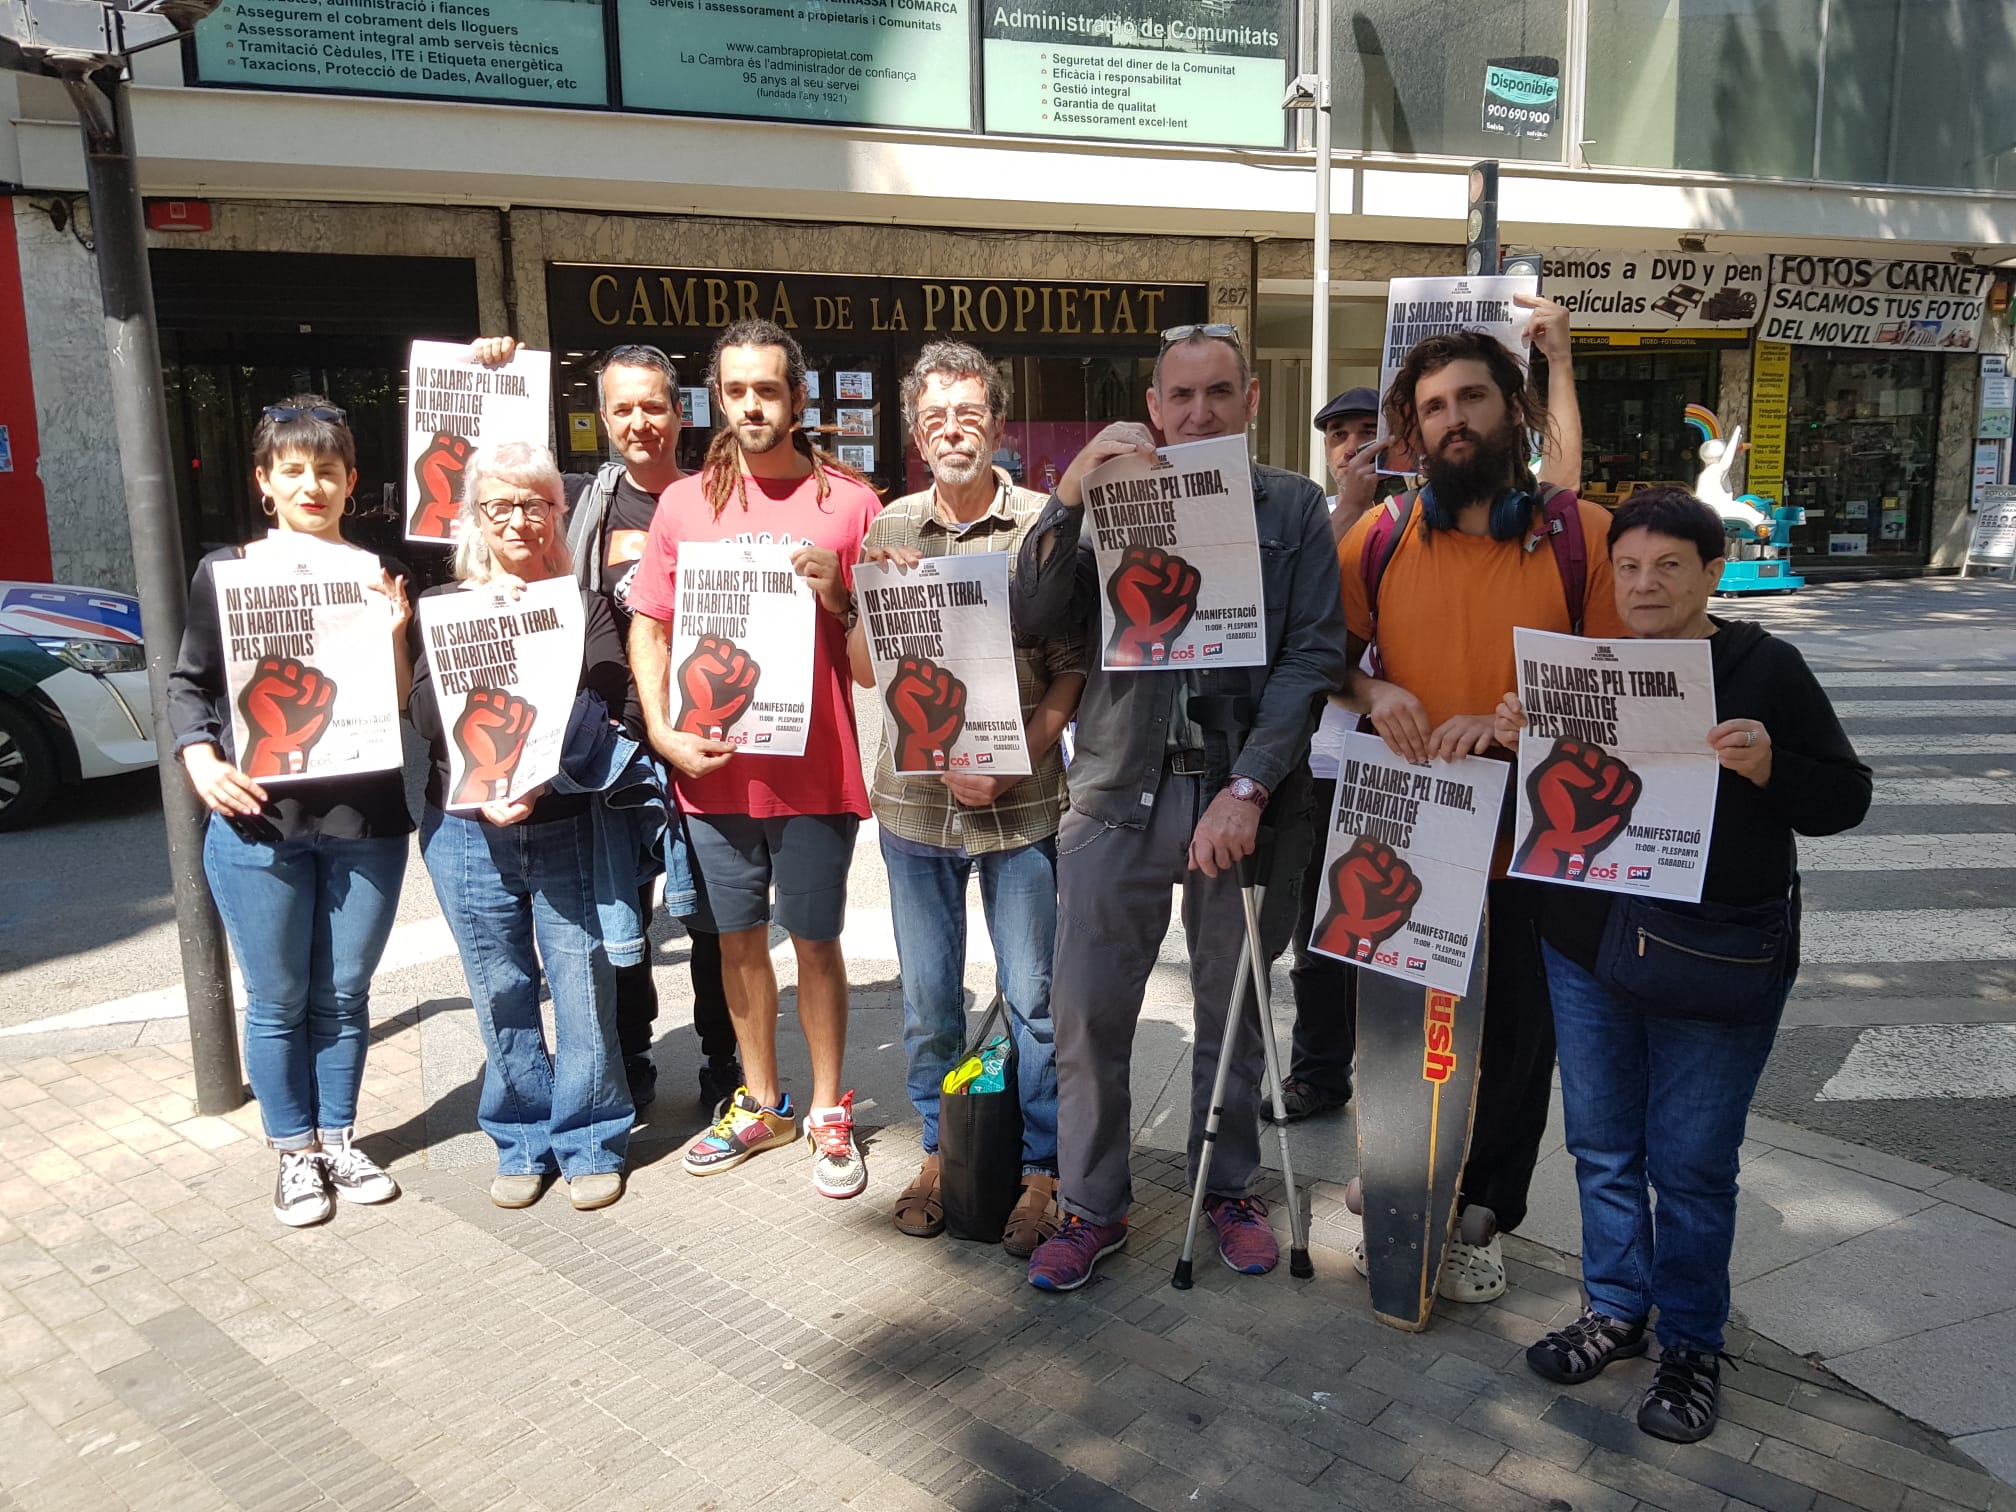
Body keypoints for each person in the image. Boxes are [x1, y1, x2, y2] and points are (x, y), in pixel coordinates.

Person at [1497, 488, 1869, 1443]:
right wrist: (1518, 738)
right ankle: (1616, 1308)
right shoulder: (1586, 667)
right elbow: (1551, 807)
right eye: (1628, 566)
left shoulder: (1766, 667)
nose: (1645, 584)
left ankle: (1692, 1343)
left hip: (1717, 954)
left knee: (1693, 1167)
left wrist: (1771, 765)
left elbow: (1845, 799)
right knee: (1600, 1146)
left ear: (1712, 572)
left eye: (1669, 566)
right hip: (1587, 947)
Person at [1012, 322, 1347, 1290]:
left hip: (1239, 800)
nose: (1200, 412)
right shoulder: (1105, 498)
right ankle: (1092, 1206)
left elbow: (1314, 654)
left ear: (1250, 401)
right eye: (1182, 396)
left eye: (1218, 393)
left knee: (1232, 1010)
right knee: (1085, 1013)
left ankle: (1229, 1188)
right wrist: (1069, 495)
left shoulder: (1293, 505)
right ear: (1155, 408)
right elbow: (1031, 615)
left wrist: (1250, 784)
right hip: (1117, 788)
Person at [1336, 295, 1620, 1304]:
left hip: (1540, 843)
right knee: (1402, 1034)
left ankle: (1485, 1214)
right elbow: (1325, 659)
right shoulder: (1377, 538)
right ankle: (1402, 1186)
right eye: (1434, 406)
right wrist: (1376, 692)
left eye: (1472, 398)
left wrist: (1522, 720)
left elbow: (1626, 682)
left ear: (1512, 409)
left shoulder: (1580, 535)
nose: (1453, 419)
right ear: (1414, 431)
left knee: (1515, 1043)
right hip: (1408, 836)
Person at [627, 319, 882, 1201]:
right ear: (717, 399)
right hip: (715, 768)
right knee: (736, 943)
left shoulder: (850, 505)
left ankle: (827, 1108)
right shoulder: (683, 505)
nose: (751, 405)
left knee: (816, 942)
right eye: (735, 390)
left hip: (814, 772)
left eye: (767, 389)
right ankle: (763, 1102)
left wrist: (841, 598)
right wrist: (662, 731)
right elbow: (651, 626)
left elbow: (874, 664)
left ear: (798, 398)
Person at [846, 341, 1084, 1256]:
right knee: (928, 1004)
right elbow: (864, 668)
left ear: (997, 422)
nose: (953, 430)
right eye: (935, 417)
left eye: (969, 413)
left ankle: (1041, 1168)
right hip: (916, 808)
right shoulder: (892, 525)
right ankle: (940, 1153)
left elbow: (1072, 668)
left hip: (1020, 809)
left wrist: (1020, 758)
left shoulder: (1041, 528)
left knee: (1034, 1000)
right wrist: (873, 592)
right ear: (916, 434)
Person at [468, 336, 737, 1114]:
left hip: (704, 736)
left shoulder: (715, 503)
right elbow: (489, 484)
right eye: (622, 408)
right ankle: (631, 1054)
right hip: (608, 750)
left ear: (680, 412)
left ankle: (724, 1057)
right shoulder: (585, 499)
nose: (639, 422)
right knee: (620, 913)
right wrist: (488, 374)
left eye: (653, 405)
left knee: (713, 915)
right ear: (603, 417)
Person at [167, 397, 411, 1228]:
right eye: (294, 470)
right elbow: (190, 683)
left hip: (365, 821)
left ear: (351, 482)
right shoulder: (226, 573)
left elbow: (401, 701)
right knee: (277, 998)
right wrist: (199, 757)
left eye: (328, 470)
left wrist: (397, 634)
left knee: (343, 993)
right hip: (258, 823)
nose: (313, 485)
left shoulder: (378, 574)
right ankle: (295, 1152)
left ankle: (338, 1139)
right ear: (264, 483)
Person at [409, 441, 636, 1211]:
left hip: (566, 820)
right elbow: (424, 713)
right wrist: (486, 620)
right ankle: (521, 1139)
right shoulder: (444, 607)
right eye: (499, 505)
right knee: (500, 988)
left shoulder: (586, 606)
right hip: (465, 827)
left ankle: (591, 1138)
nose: (518, 519)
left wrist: (532, 634)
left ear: (558, 513)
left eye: (535, 503)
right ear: (475, 516)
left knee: (581, 987)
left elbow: (607, 699)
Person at [1267, 384, 1389, 1127]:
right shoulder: (1312, 517)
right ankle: (1318, 1073)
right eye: (1339, 434)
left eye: (1367, 430)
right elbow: (1295, 619)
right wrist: (1350, 505)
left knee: (1398, 929)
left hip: (1399, 766)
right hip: (1317, 765)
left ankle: (1401, 1083)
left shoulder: (1417, 522)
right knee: (1319, 934)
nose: (1351, 445)